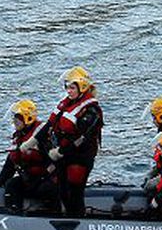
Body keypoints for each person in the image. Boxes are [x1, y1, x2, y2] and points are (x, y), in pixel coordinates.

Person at [22, 66, 103, 217]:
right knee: (62, 190)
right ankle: (64, 215)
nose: (69, 91)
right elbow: (49, 125)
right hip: (63, 156)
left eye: (72, 87)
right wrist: (32, 141)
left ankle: (78, 220)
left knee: (75, 192)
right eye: (67, 87)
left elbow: (82, 139)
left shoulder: (91, 111)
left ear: (82, 87)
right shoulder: (66, 104)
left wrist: (60, 152)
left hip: (79, 157)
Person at [0, 99, 59, 213]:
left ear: (27, 119)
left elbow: (55, 161)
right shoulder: (19, 136)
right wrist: (0, 181)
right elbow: (11, 161)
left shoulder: (42, 137)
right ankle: (13, 212)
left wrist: (44, 176)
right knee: (12, 184)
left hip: (46, 179)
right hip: (29, 179)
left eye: (18, 119)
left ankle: (54, 212)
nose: (14, 121)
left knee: (46, 190)